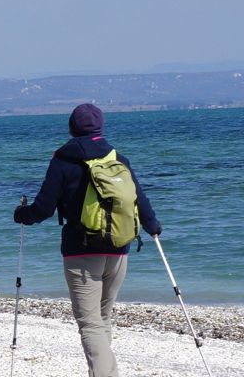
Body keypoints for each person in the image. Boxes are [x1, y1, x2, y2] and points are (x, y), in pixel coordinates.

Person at [13, 103, 162, 377]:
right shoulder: (118, 158)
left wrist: (22, 215)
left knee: (90, 325)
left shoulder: (62, 161)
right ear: (101, 128)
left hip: (80, 252)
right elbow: (140, 201)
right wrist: (153, 227)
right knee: (103, 320)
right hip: (119, 249)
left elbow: (44, 208)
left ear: (71, 128)